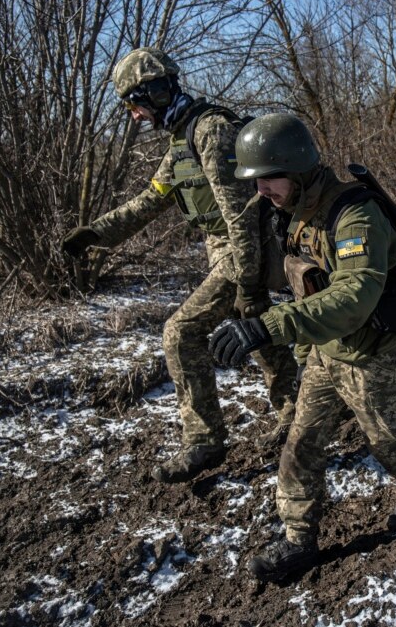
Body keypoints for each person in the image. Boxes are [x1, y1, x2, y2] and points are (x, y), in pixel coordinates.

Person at [208, 112, 396, 583]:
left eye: (266, 180)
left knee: (390, 441)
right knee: (301, 441)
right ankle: (298, 539)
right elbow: (307, 286)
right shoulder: (295, 212)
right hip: (325, 351)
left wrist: (269, 327)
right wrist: (298, 347)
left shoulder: (354, 215)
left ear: (294, 168)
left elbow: (354, 296)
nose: (260, 192)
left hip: (373, 354)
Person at [60, 48, 298, 483]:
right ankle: (294, 414)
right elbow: (151, 199)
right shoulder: (182, 139)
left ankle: (204, 442)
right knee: (263, 334)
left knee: (181, 333)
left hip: (242, 253)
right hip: (228, 254)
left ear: (152, 93)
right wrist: (97, 233)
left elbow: (241, 216)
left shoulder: (211, 132)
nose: (133, 117)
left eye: (134, 105)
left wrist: (247, 281)